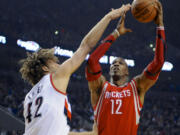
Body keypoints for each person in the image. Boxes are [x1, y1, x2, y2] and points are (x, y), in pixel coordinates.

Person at [19, 4, 131, 135]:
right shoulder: (53, 78)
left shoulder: (29, 98)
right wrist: (109, 17)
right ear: (45, 68)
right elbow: (85, 46)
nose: (59, 65)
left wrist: (92, 133)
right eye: (54, 63)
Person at [85, 1, 166, 135]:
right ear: (109, 70)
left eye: (120, 63)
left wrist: (160, 25)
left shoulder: (137, 87)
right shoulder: (100, 88)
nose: (116, 64)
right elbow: (92, 61)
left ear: (127, 71)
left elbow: (158, 62)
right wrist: (115, 33)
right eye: (114, 63)